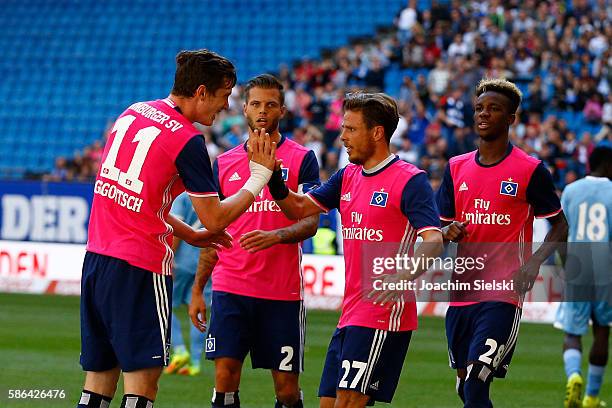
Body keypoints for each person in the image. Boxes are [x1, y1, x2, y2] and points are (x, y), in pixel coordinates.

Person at [78, 49, 277, 408]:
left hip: (96, 262)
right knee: (141, 388)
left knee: (96, 385)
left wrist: (188, 233)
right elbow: (216, 217)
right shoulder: (187, 140)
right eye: (223, 95)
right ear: (201, 92)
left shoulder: (133, 112)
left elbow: (134, 196)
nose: (225, 106)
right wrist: (259, 177)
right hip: (140, 268)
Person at [264, 92, 443, 407]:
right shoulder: (347, 175)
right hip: (350, 312)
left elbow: (433, 240)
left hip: (382, 313)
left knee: (347, 403)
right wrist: (274, 180)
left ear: (377, 133)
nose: (342, 136)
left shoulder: (410, 181)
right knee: (329, 404)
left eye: (350, 129)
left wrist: (404, 274)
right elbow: (298, 207)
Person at [435, 78, 569, 408]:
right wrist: (446, 233)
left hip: (503, 293)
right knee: (468, 388)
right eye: (479, 108)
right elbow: (436, 233)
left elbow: (560, 224)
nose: (484, 114)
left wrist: (534, 263)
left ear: (511, 118)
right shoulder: (456, 168)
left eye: (494, 109)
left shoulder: (530, 169)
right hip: (462, 294)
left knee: (478, 381)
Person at [189, 74, 320, 408]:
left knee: (287, 391)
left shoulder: (301, 159)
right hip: (231, 289)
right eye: (256, 104)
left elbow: (310, 222)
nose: (263, 111)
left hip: (282, 293)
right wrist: (197, 289)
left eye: (271, 104)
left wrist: (275, 236)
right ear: (244, 108)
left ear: (283, 110)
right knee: (225, 379)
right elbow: (215, 232)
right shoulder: (224, 163)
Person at [555, 145, 612, 408]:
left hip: (578, 268)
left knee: (572, 333)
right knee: (602, 332)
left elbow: (562, 231)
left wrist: (568, 266)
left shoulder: (572, 190)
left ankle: (573, 375)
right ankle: (590, 396)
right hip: (606, 270)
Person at [164, 192, 213, 377]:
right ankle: (194, 362)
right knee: (199, 310)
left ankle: (179, 350)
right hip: (206, 260)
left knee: (165, 305)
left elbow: (176, 230)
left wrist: (170, 258)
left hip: (183, 262)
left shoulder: (184, 197)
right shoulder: (214, 196)